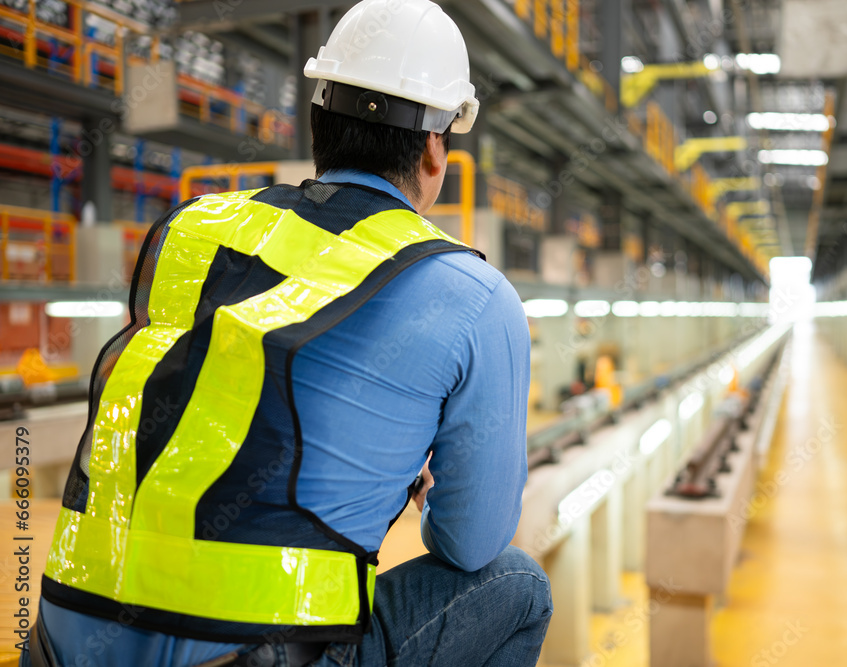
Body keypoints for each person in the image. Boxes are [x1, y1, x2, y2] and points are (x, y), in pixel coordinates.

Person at [24, 1, 552, 665]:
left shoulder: (193, 228)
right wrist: (414, 491)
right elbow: (469, 544)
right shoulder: (474, 295)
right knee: (518, 582)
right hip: (256, 658)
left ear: (316, 125)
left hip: (58, 642)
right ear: (435, 147)